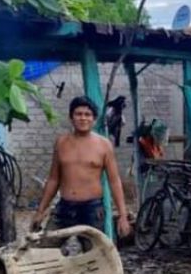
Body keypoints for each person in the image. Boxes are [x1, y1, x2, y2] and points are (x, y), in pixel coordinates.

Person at [33, 96, 132, 237]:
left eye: (87, 114)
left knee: (96, 255)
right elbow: (53, 179)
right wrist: (40, 211)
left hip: (92, 210)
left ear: (94, 119)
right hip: (64, 208)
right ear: (71, 118)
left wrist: (123, 216)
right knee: (48, 251)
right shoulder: (61, 143)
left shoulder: (104, 145)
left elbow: (114, 181)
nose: (83, 118)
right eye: (78, 114)